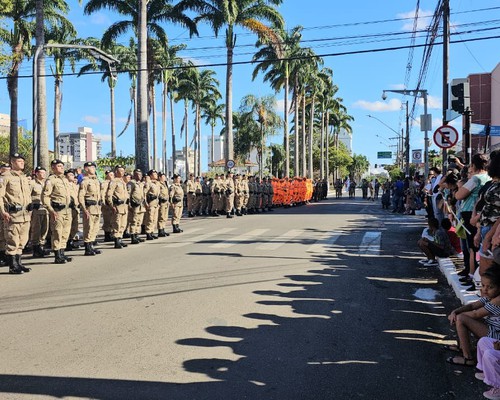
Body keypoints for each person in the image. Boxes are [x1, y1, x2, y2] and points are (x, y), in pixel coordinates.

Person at [446, 264, 500, 366]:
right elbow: (473, 306)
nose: (485, 290)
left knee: (461, 319)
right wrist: (455, 311)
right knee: (460, 318)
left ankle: (468, 358)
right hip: (492, 329)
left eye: (490, 287)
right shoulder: (490, 296)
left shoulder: (498, 300)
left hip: (497, 336)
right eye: (483, 286)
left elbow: (476, 314)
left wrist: (456, 316)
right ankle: (462, 347)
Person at [0, 153, 32, 274]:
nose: (22, 163)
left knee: (22, 240)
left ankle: (19, 263)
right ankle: (13, 265)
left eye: (22, 161)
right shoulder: (5, 176)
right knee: (13, 240)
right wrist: (3, 212)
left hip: (25, 214)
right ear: (12, 163)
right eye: (19, 161)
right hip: (13, 214)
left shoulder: (23, 177)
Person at [42, 159, 74, 264]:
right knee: (57, 232)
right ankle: (57, 255)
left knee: (65, 232)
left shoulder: (65, 180)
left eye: (61, 166)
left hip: (67, 210)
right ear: (53, 168)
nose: (61, 168)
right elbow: (45, 196)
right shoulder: (51, 180)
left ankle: (62, 253)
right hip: (57, 210)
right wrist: (51, 210)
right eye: (58, 166)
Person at [78, 161, 102, 256]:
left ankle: (91, 245)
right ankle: (87, 248)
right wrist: (84, 209)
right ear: (87, 169)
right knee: (88, 228)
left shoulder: (96, 181)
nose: (94, 169)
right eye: (92, 167)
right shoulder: (85, 181)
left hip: (97, 207)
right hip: (89, 208)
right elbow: (81, 197)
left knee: (95, 228)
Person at [106, 165, 129, 249]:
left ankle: (120, 239)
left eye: (123, 171)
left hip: (124, 206)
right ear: (116, 171)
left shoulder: (123, 182)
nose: (122, 172)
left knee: (123, 224)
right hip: (117, 206)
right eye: (120, 171)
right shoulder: (114, 181)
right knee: (117, 223)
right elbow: (109, 194)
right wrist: (111, 205)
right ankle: (116, 240)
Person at [29, 166, 50, 258]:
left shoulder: (47, 183)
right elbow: (27, 196)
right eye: (41, 172)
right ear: (36, 173)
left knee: (45, 229)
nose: (43, 174)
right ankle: (35, 248)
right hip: (36, 209)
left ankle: (41, 246)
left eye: (44, 172)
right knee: (36, 229)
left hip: (46, 209)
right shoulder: (32, 183)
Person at [127, 169, 146, 245]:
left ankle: (137, 235)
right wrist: (129, 205)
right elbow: (128, 194)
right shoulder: (131, 183)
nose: (139, 176)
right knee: (134, 221)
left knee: (139, 221)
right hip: (134, 205)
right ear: (134, 175)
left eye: (140, 174)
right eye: (137, 174)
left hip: (140, 205)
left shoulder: (140, 184)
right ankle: (133, 236)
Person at [143, 169, 160, 240]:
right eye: (154, 174)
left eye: (156, 174)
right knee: (150, 218)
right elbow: (144, 193)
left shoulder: (157, 183)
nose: (156, 175)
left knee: (154, 219)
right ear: (150, 175)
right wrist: (145, 202)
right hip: (151, 202)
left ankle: (152, 232)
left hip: (156, 202)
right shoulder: (148, 183)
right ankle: (148, 232)